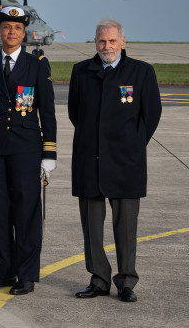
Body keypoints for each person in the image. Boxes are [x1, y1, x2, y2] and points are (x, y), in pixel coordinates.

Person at [69, 19, 161, 303]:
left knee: (126, 228)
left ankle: (126, 282)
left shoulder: (142, 72)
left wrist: (131, 145)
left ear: (123, 41)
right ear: (95, 42)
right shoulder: (82, 71)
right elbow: (76, 113)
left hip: (126, 163)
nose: (106, 47)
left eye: (111, 41)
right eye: (101, 41)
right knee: (92, 229)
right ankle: (98, 280)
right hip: (90, 162)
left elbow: (152, 114)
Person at [0, 6, 56, 295]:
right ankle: (5, 270)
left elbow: (47, 111)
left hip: (25, 148)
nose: (11, 32)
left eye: (17, 28)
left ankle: (27, 274)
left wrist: (49, 152)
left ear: (24, 32)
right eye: (6, 27)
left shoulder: (37, 64)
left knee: (26, 213)